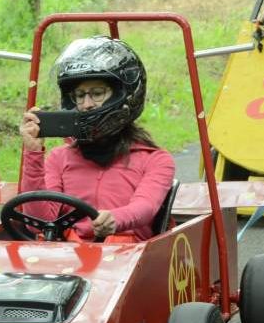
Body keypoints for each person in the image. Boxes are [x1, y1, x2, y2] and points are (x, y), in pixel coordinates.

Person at [18, 37, 175, 242]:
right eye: (79, 95)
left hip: (129, 258)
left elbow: (145, 207)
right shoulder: (59, 158)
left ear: (124, 95)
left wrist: (115, 219)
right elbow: (37, 221)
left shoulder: (155, 159)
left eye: (97, 93)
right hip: (71, 258)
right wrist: (33, 154)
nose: (86, 104)